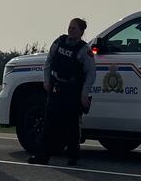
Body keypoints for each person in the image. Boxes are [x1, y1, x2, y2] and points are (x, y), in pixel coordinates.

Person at [29, 17, 94, 166]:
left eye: (74, 28)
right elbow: (49, 62)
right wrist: (46, 80)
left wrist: (84, 93)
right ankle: (42, 156)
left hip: (73, 90)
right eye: (70, 27)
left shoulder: (84, 50)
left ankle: (73, 156)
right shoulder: (59, 42)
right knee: (49, 123)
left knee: (72, 125)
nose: (70, 30)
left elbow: (91, 73)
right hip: (57, 87)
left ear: (81, 32)